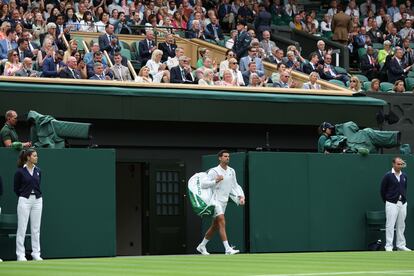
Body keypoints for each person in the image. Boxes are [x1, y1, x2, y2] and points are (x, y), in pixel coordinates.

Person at [196, 150, 245, 255]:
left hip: (224, 201)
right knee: (222, 221)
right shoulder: (214, 171)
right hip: (214, 200)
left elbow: (235, 186)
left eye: (228, 156)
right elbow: (203, 184)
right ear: (220, 158)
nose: (227, 158)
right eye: (225, 156)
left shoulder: (232, 171)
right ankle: (227, 249)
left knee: (215, 226)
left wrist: (241, 196)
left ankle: (202, 246)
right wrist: (216, 180)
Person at [14, 148, 43, 261]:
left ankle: (36, 253)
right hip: (24, 200)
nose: (36, 157)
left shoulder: (38, 171)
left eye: (36, 155)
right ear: (28, 157)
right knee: (22, 228)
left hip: (37, 200)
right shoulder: (20, 172)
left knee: (36, 228)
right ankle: (20, 254)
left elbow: (38, 184)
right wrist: (23, 196)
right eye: (34, 156)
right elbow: (16, 188)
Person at [380, 157, 411, 252]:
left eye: (401, 164)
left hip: (402, 203)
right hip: (391, 203)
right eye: (398, 164)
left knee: (401, 225)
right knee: (390, 225)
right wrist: (388, 200)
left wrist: (403, 200)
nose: (400, 166)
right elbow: (382, 190)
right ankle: (389, 246)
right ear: (393, 164)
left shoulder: (404, 176)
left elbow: (404, 188)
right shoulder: (388, 176)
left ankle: (401, 245)